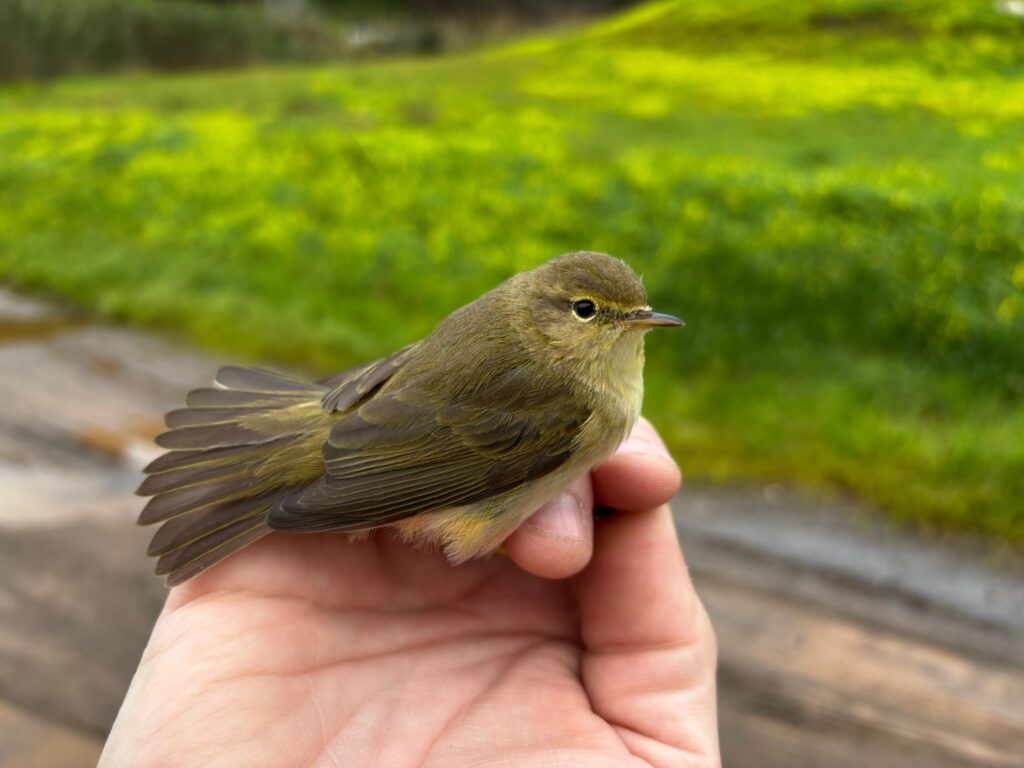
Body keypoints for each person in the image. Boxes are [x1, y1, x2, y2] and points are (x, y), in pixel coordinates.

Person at [101, 419, 720, 767]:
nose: (632, 323)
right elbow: (449, 464)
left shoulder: (577, 390)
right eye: (588, 311)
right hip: (389, 463)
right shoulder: (577, 400)